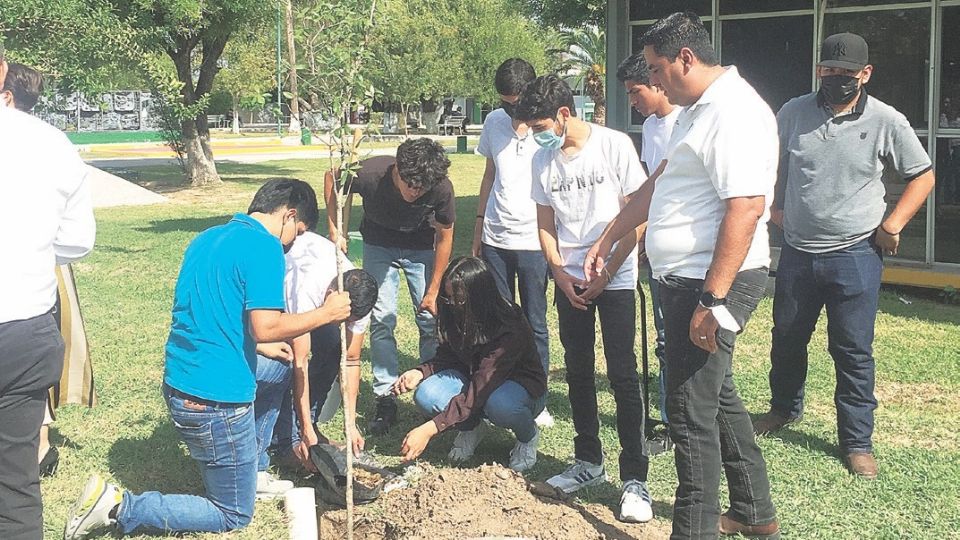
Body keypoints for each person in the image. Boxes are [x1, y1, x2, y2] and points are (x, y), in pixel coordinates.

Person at [63, 179, 353, 538]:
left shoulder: (208, 238)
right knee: (232, 514)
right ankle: (117, 506)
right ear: (289, 216)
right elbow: (267, 327)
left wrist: (258, 348)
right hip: (214, 401)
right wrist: (327, 313)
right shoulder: (264, 247)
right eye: (298, 232)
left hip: (180, 381)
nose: (293, 243)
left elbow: (215, 312)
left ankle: (254, 471)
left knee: (279, 367)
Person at [585, 12, 780, 538]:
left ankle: (693, 530)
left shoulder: (734, 112)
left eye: (655, 68)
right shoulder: (698, 111)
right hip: (688, 281)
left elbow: (746, 207)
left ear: (685, 59)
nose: (652, 80)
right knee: (717, 397)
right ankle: (755, 512)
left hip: (710, 283)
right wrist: (608, 235)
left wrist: (713, 299)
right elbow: (659, 182)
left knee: (688, 413)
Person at [753, 32, 936, 480]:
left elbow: (923, 175)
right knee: (787, 338)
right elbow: (767, 163)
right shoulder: (793, 112)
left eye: (846, 73)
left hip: (856, 254)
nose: (835, 78)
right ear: (820, 70)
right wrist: (773, 208)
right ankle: (782, 410)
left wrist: (892, 225)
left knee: (852, 350)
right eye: (828, 70)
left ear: (864, 74)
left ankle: (856, 442)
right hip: (797, 251)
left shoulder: (886, 119)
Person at [515, 74, 653, 523]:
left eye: (540, 128)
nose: (536, 137)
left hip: (614, 279)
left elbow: (639, 217)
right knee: (576, 371)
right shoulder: (542, 161)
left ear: (563, 114)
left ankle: (635, 478)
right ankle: (588, 462)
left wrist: (608, 270)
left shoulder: (614, 146)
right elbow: (544, 220)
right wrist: (557, 269)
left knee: (622, 374)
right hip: (569, 282)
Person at [0, 46, 96, 540]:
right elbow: (77, 240)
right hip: (24, 329)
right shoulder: (51, 142)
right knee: (16, 484)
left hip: (24, 327)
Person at [325, 138, 455, 436]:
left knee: (429, 319)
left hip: (421, 248)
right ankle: (386, 397)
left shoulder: (440, 187)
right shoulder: (370, 173)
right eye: (410, 184)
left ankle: (429, 390)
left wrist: (434, 290)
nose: (415, 192)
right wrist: (336, 229)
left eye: (422, 189)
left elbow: (445, 238)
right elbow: (333, 177)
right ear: (396, 169)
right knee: (381, 320)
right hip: (379, 245)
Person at [391, 257, 546, 472]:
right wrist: (420, 371)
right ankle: (472, 427)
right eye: (448, 297)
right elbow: (448, 355)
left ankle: (528, 436)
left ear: (480, 296)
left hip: (519, 390)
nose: (452, 303)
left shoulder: (509, 327)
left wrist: (430, 428)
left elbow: (481, 387)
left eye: (459, 299)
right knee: (426, 394)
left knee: (499, 405)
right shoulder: (454, 311)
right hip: (477, 383)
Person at [253, 229, 378, 483]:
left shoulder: (360, 300)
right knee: (284, 360)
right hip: (281, 307)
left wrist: (351, 422)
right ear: (333, 295)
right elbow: (301, 360)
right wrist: (306, 433)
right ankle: (286, 439)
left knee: (333, 347)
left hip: (320, 303)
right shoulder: (307, 287)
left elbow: (351, 360)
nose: (346, 323)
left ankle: (304, 425)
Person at [473, 58, 553, 428]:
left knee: (535, 322)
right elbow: (490, 175)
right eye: (504, 102)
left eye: (515, 102)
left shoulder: (547, 129)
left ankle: (537, 396)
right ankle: (499, 387)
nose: (510, 109)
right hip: (496, 237)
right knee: (499, 320)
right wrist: (478, 229)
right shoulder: (493, 123)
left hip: (534, 241)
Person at [616, 52, 682, 426]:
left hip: (685, 247)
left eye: (636, 91)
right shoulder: (653, 128)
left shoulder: (685, 122)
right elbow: (646, 190)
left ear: (658, 83)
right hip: (656, 244)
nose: (633, 102)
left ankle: (690, 416)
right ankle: (669, 417)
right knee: (663, 338)